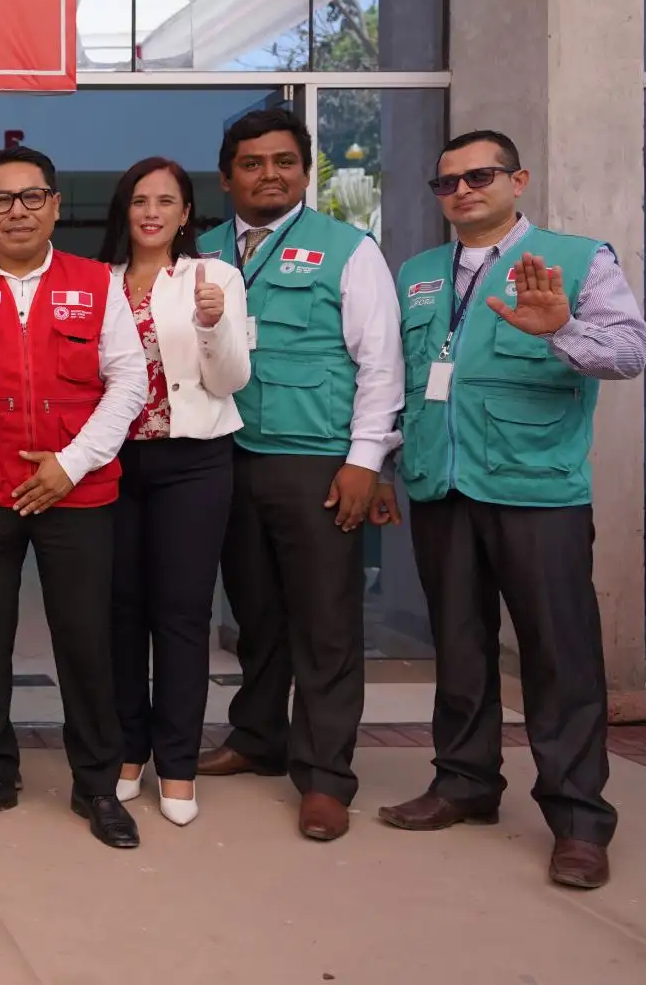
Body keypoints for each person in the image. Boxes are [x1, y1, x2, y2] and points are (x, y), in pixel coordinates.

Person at [377, 130, 646, 890]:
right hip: (443, 488)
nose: (462, 191)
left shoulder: (577, 258)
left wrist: (562, 328)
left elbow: (629, 352)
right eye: (447, 182)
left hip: (536, 489)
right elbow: (405, 377)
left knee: (559, 658)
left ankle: (579, 820)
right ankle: (464, 784)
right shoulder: (421, 272)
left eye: (480, 176)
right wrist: (391, 461)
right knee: (459, 648)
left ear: (517, 180)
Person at [0, 146, 148, 846]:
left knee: (85, 640)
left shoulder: (97, 282)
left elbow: (128, 383)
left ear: (55, 205)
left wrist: (71, 464)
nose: (18, 211)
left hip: (75, 487)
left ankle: (97, 785)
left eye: (31, 197)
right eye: (2, 200)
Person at [192, 108, 402, 843]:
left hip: (314, 458)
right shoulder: (204, 252)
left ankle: (325, 776)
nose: (269, 174)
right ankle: (257, 737)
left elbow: (380, 363)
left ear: (304, 171)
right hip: (224, 454)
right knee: (256, 616)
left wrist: (364, 462)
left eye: (284, 161)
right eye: (252, 163)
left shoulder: (347, 249)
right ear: (227, 177)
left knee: (324, 622)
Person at [97, 158, 250, 826]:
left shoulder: (215, 278)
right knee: (120, 614)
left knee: (183, 615)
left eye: (166, 200)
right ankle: (129, 749)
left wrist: (213, 325)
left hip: (195, 462)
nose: (152, 212)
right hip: (117, 464)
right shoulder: (96, 283)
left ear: (187, 213)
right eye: (139, 200)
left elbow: (231, 381)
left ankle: (179, 762)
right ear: (123, 211)